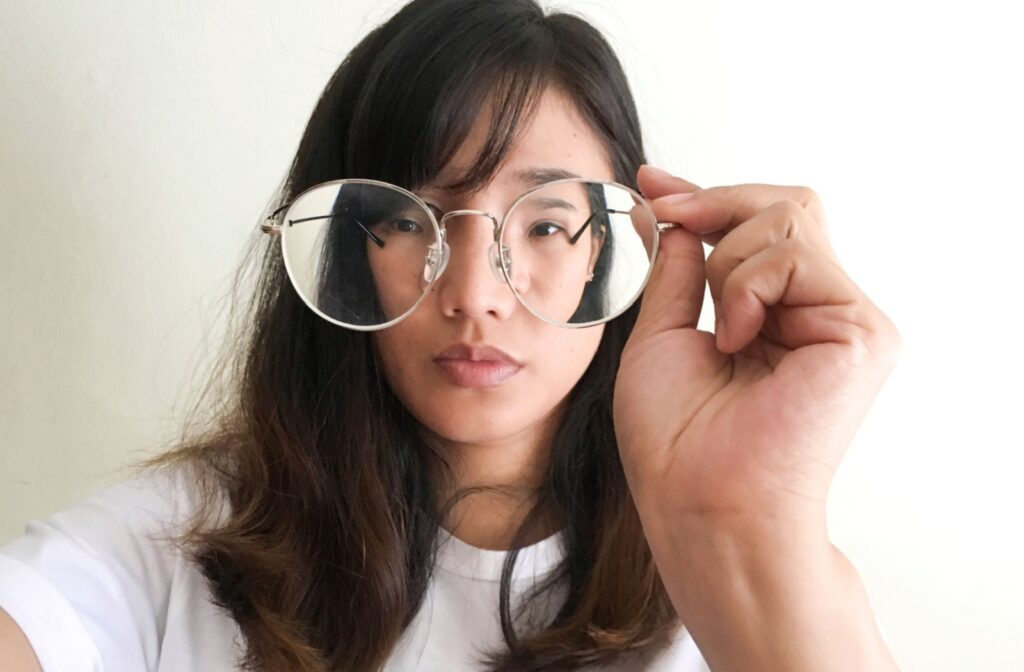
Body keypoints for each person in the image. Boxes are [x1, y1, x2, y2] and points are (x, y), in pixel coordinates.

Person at [0, 0, 903, 670]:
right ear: (351, 245)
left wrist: (745, 526)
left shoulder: (739, 563)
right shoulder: (183, 543)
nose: (474, 296)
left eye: (545, 224)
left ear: (616, 250)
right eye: (412, 220)